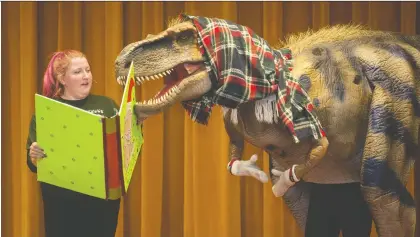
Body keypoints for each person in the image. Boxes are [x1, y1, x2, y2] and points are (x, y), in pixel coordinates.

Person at [26, 50, 121, 237]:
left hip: (101, 203)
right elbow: (32, 164)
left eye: (88, 70)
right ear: (62, 78)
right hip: (62, 202)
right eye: (77, 72)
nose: (86, 76)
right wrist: (34, 155)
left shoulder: (108, 105)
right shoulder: (48, 111)